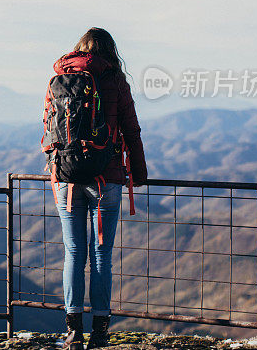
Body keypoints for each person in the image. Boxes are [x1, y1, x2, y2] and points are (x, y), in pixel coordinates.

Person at [51, 28, 148, 349]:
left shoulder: (60, 79)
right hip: (107, 178)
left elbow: (51, 127)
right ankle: (101, 333)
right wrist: (139, 173)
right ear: (111, 51)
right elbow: (131, 131)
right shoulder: (115, 81)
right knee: (101, 255)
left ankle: (73, 330)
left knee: (74, 253)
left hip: (65, 176)